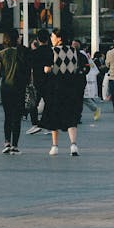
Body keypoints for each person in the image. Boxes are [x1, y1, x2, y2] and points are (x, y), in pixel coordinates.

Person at [40, 28, 88, 156]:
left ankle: (55, 146)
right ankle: (73, 145)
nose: (51, 38)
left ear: (59, 38)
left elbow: (46, 70)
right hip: (71, 87)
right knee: (71, 116)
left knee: (55, 115)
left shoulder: (52, 51)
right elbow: (80, 67)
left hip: (55, 87)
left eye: (53, 36)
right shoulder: (75, 52)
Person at [0, 28, 30, 154]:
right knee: (17, 117)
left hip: (6, 88)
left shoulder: (1, 54)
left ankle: (7, 142)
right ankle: (15, 145)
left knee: (8, 116)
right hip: (20, 87)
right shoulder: (24, 52)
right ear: (16, 38)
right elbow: (30, 70)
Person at [26, 28, 53, 135]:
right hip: (49, 81)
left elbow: (29, 67)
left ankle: (35, 123)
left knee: (34, 103)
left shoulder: (34, 53)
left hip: (36, 81)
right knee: (49, 102)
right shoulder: (51, 51)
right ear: (48, 38)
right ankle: (44, 123)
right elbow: (50, 67)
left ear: (38, 39)